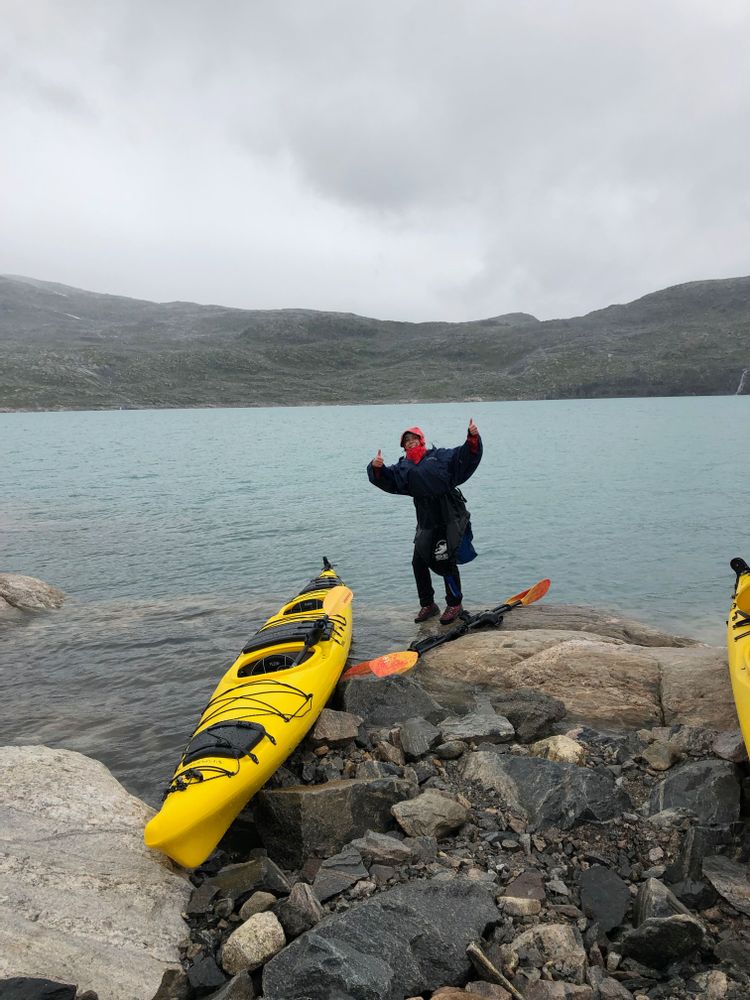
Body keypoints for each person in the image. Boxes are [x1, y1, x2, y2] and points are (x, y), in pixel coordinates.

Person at [367, 419, 483, 624]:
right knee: (418, 562)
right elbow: (387, 478)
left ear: (421, 440)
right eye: (406, 441)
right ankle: (428, 605)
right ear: (403, 446)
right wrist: (376, 467)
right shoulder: (403, 467)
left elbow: (463, 455)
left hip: (447, 514)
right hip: (425, 517)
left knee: (446, 560)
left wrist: (472, 438)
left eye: (414, 438)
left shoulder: (438, 456)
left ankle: (455, 603)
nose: (410, 442)